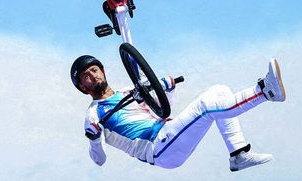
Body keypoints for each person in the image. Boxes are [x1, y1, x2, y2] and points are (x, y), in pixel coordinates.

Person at [71, 55, 286, 171]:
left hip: (168, 134)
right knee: (207, 105)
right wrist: (93, 139)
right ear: (83, 87)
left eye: (94, 70)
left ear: (103, 71)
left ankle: (239, 154)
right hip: (157, 149)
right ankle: (265, 91)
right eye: (86, 76)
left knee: (219, 91)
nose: (93, 75)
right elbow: (99, 161)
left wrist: (167, 88)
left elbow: (162, 109)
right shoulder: (94, 115)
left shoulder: (128, 92)